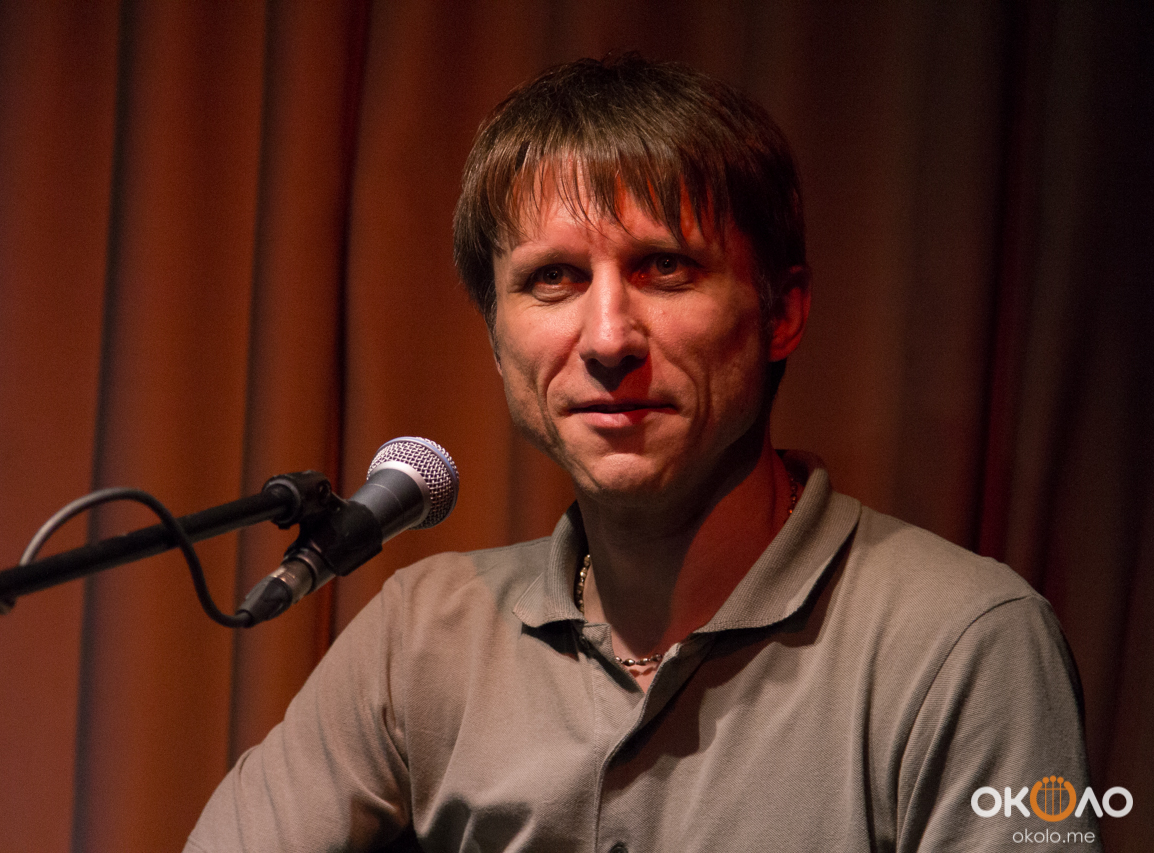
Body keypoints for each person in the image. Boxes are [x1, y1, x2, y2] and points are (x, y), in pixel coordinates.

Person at [186, 55, 1099, 852]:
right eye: (553, 278)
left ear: (781, 312)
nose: (609, 337)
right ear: (497, 342)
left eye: (665, 268)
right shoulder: (422, 632)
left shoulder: (967, 640)